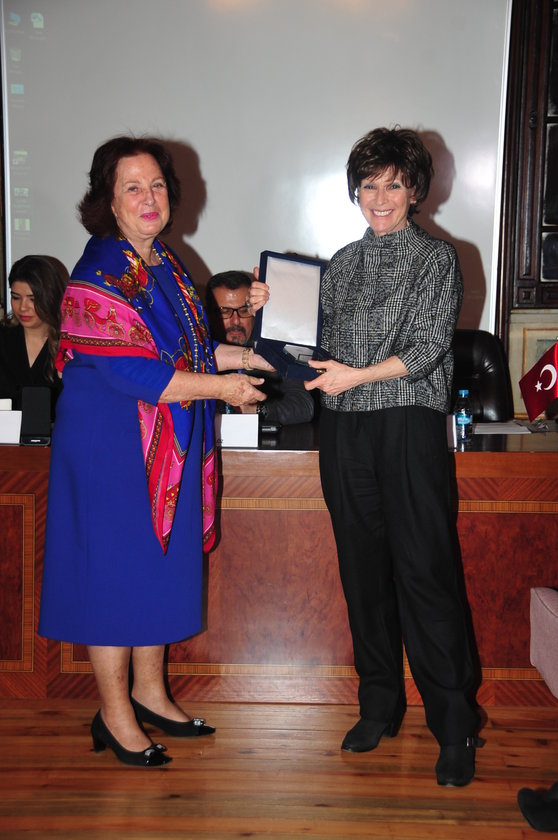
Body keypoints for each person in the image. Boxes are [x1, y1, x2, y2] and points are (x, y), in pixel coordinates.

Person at [249, 127, 481, 787]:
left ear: (415, 190)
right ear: (356, 190)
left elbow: (428, 347)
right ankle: (380, 704)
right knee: (363, 573)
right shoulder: (341, 264)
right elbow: (308, 352)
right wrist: (272, 316)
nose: (380, 197)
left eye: (394, 184)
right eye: (369, 184)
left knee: (425, 574)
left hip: (407, 426)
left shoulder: (437, 258)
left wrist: (357, 375)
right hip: (345, 431)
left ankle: (455, 724)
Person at [38, 136, 272, 767]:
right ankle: (114, 715)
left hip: (160, 441)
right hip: (112, 449)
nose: (149, 198)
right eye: (133, 187)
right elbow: (137, 373)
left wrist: (250, 357)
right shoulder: (97, 274)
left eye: (158, 185)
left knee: (153, 570)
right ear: (108, 201)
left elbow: (190, 352)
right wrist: (223, 388)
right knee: (115, 578)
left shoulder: (163, 263)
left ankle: (148, 692)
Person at [206, 270, 315, 425]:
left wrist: (255, 410)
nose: (236, 321)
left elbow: (303, 406)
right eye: (224, 311)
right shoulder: (197, 349)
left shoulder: (277, 344)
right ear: (208, 314)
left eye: (244, 310)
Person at [0, 255, 68, 419]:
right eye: (16, 297)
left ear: (52, 298)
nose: (23, 307)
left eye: (33, 299)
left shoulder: (70, 346)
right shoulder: (3, 338)